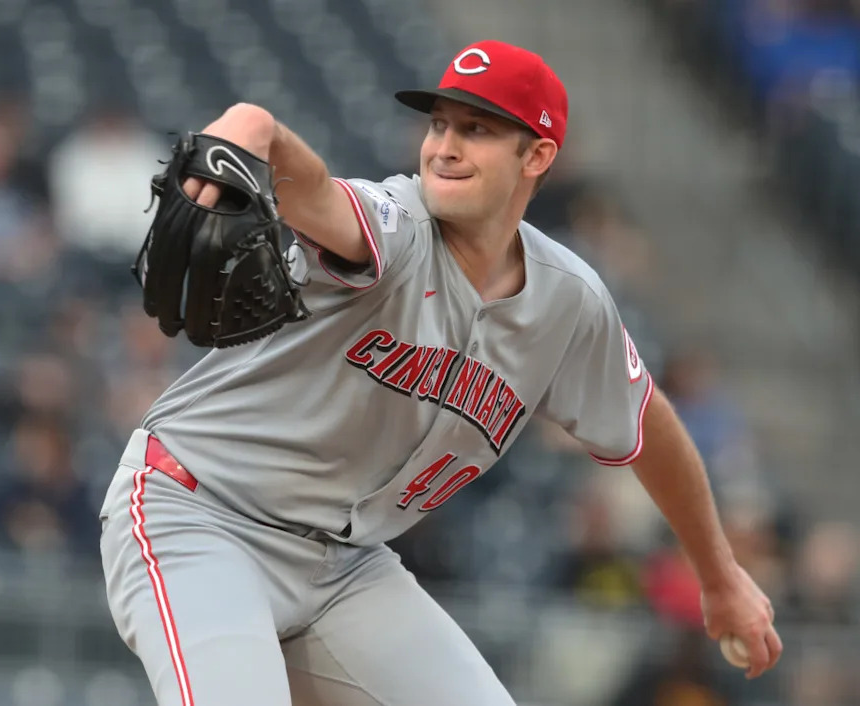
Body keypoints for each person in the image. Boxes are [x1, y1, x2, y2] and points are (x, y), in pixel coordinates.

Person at [98, 40, 782, 706]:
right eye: (440, 123)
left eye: (477, 130)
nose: (445, 146)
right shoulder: (396, 224)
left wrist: (719, 577)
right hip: (199, 516)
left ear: (537, 154)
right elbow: (313, 190)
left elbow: (647, 424)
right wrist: (258, 129)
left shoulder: (568, 302)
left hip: (344, 566)